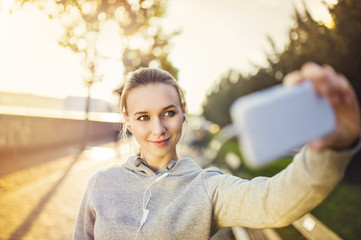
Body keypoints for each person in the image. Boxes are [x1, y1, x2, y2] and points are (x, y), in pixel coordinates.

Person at [73, 63, 360, 240]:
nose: (158, 129)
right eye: (143, 117)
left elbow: (273, 202)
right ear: (128, 121)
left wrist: (334, 149)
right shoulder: (100, 184)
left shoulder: (207, 187)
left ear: (184, 113)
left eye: (168, 113)